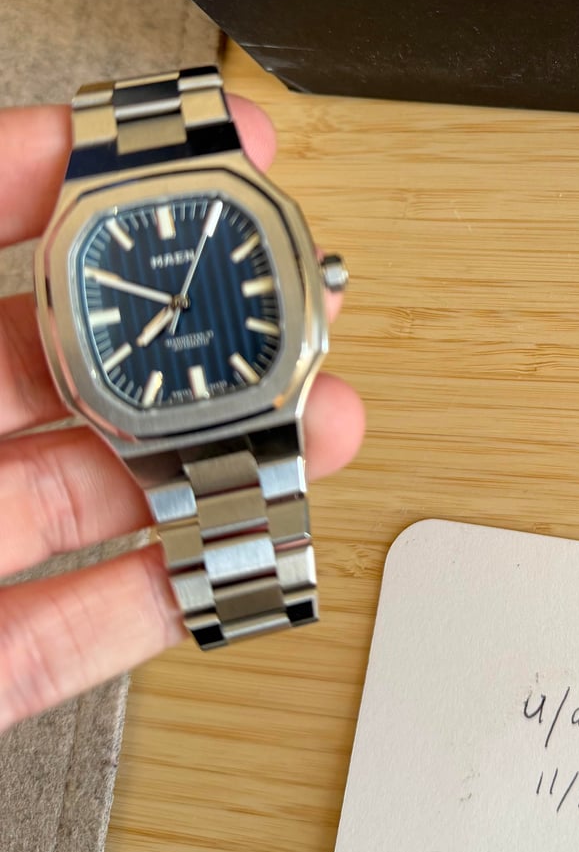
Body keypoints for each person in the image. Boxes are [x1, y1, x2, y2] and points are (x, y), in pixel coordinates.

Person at [0, 93, 365, 734]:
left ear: (317, 277)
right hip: (151, 425)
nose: (178, 304)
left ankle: (252, 595)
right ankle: (244, 598)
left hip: (246, 399)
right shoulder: (87, 261)